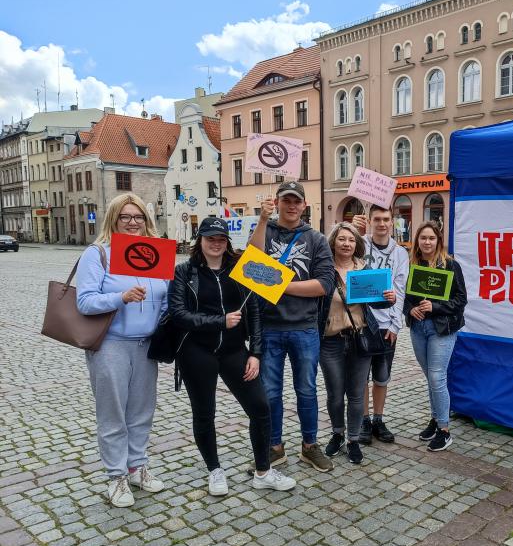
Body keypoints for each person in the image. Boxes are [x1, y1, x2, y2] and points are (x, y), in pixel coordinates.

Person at [169, 217, 295, 495]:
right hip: (197, 351)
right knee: (205, 413)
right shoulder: (184, 272)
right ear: (199, 240)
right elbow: (179, 314)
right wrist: (219, 321)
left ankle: (263, 471)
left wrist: (256, 353)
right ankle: (214, 470)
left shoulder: (241, 268)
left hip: (235, 351)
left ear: (227, 243)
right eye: (210, 238)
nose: (216, 244)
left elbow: (255, 312)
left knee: (260, 408)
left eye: (221, 239)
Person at [76, 194, 167, 507]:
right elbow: (85, 301)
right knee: (113, 414)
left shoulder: (156, 252)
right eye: (125, 217)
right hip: (111, 344)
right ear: (113, 219)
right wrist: (120, 297)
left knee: (141, 413)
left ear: (146, 220)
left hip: (147, 345)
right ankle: (116, 477)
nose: (132, 222)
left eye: (138, 216)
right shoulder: (98, 252)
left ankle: (137, 466)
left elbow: (165, 295)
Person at [248, 181, 335, 473]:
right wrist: (262, 219)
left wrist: (279, 284)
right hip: (269, 326)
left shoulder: (316, 239)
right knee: (270, 392)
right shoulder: (266, 230)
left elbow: (324, 284)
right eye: (287, 200)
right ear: (278, 202)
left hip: (304, 327)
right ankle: (275, 447)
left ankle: (310, 446)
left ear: (304, 205)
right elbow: (252, 260)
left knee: (306, 390)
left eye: (297, 201)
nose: (292, 205)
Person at [318, 222, 395, 464]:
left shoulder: (364, 269)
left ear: (357, 244)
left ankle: (352, 440)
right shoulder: (323, 269)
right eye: (342, 239)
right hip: (330, 341)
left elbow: (377, 302)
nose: (347, 244)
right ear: (333, 242)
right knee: (334, 394)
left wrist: (389, 299)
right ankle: (337, 434)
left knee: (355, 394)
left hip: (360, 338)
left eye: (351, 240)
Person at [404, 221, 467, 452]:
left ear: (438, 241)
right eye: (423, 238)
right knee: (430, 376)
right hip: (418, 328)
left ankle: (444, 430)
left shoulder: (450, 265)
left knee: (437, 377)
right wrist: (409, 309)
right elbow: (403, 295)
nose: (427, 242)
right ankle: (435, 418)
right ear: (417, 242)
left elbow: (461, 301)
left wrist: (436, 307)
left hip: (442, 329)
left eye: (431, 238)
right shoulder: (412, 265)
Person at [352, 206, 409, 444]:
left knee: (382, 376)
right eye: (377, 219)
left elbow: (400, 290)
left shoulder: (400, 253)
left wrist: (396, 326)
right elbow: (336, 250)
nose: (382, 223)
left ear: (392, 221)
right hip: (361, 321)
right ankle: (363, 420)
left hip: (386, 325)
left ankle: (378, 419)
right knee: (362, 375)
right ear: (370, 221)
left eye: (386, 219)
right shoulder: (359, 244)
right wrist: (353, 230)